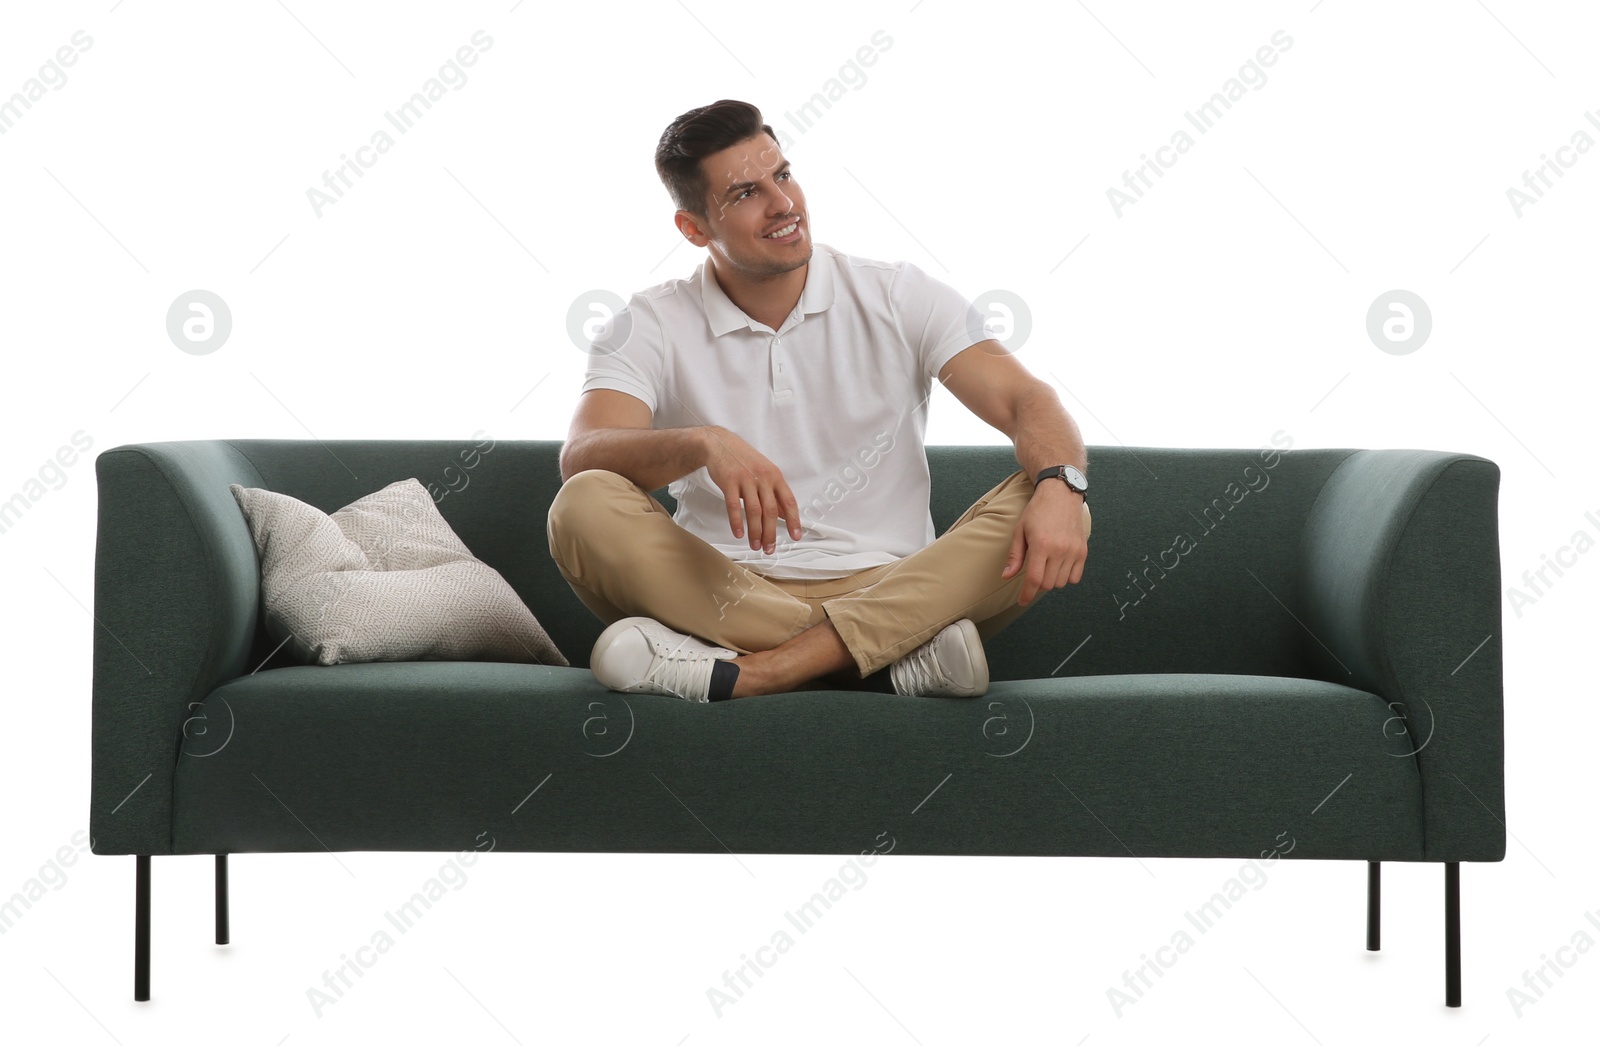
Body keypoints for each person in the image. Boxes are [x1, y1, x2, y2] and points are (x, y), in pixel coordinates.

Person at [548, 99, 1090, 703]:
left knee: (1057, 489)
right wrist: (705, 442)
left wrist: (1061, 484)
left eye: (782, 175)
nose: (783, 205)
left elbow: (1025, 400)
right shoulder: (648, 321)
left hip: (891, 582)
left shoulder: (898, 293)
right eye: (745, 193)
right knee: (583, 504)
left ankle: (758, 671)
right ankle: (889, 658)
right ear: (694, 228)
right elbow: (585, 456)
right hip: (725, 589)